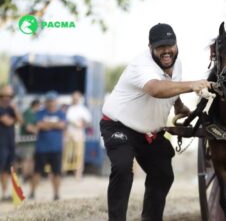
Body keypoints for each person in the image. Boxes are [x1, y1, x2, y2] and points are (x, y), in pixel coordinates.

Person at [100, 23, 211, 221]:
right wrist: (192, 85)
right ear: (150, 47)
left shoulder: (177, 64)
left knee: (163, 174)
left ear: (176, 45)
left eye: (170, 45)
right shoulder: (141, 65)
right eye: (160, 47)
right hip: (119, 125)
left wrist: (178, 105)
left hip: (149, 133)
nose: (166, 51)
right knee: (123, 167)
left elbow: (170, 87)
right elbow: (156, 89)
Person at [30, 91, 66, 201]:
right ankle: (32, 193)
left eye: (53, 101)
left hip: (56, 148)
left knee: (56, 173)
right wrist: (54, 125)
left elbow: (62, 125)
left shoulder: (61, 113)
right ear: (46, 102)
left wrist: (47, 125)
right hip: (42, 148)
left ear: (56, 101)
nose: (51, 103)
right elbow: (39, 125)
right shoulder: (40, 112)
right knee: (37, 172)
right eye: (49, 101)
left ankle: (56, 194)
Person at [0, 85, 23, 201]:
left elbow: (21, 121)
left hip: (9, 143)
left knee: (6, 170)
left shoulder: (11, 108)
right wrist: (15, 118)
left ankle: (4, 194)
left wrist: (15, 110)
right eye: (5, 95)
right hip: (1, 144)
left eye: (10, 95)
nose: (7, 98)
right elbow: (8, 122)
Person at [63, 91, 91, 180]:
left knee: (78, 154)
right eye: (73, 98)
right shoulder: (68, 109)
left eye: (76, 98)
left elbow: (88, 122)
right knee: (66, 154)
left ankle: (78, 174)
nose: (75, 99)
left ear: (79, 99)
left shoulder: (83, 110)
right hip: (68, 133)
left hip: (78, 133)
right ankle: (63, 172)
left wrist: (81, 125)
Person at [19, 99, 41, 181]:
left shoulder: (32, 113)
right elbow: (28, 127)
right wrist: (38, 131)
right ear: (36, 105)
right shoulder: (28, 113)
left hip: (32, 141)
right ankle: (25, 176)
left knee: (31, 159)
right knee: (26, 159)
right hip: (26, 140)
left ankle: (29, 176)